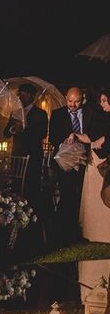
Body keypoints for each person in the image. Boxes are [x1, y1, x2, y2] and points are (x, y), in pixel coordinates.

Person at [49, 87, 94, 245]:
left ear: (83, 99)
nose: (73, 105)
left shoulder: (90, 113)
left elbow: (93, 134)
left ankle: (77, 229)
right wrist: (66, 143)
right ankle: (62, 231)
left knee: (81, 196)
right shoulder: (57, 114)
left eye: (77, 101)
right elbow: (53, 138)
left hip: (86, 162)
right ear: (65, 97)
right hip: (65, 162)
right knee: (67, 195)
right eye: (70, 101)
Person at [3, 83, 48, 208]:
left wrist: (24, 128)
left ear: (32, 96)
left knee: (32, 184)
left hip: (34, 154)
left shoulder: (40, 113)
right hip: (17, 153)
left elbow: (42, 134)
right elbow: (6, 133)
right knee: (16, 183)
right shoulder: (15, 113)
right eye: (20, 93)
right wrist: (13, 128)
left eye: (24, 93)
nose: (20, 95)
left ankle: (31, 211)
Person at [76, 89, 110, 243]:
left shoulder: (100, 117)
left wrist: (102, 141)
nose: (102, 104)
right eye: (101, 101)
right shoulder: (103, 117)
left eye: (104, 101)